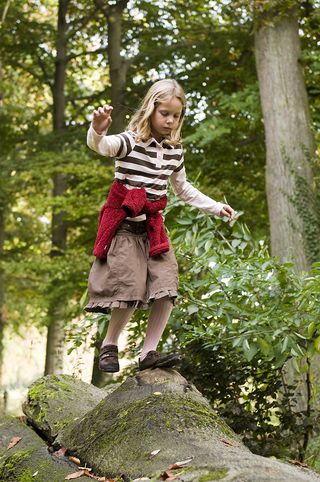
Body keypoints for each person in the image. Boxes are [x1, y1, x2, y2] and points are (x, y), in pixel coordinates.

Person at [85, 79, 235, 373]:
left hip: (153, 228)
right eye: (164, 113)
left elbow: (183, 189)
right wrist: (98, 130)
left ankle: (148, 353)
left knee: (167, 284)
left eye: (176, 115)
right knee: (130, 285)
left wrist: (216, 207)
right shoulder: (130, 141)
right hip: (125, 228)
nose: (170, 120)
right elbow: (102, 146)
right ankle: (110, 344)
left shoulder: (174, 151)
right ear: (151, 110)